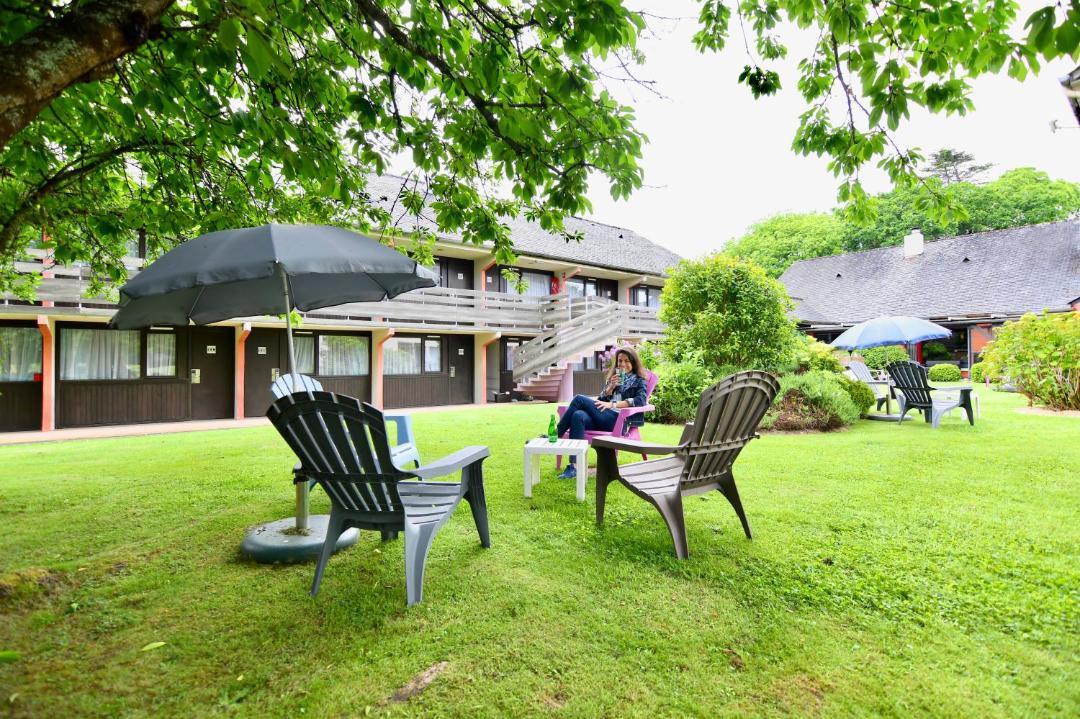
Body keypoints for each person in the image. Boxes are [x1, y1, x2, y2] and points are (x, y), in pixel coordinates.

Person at [554, 347, 649, 480]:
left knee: (578, 399)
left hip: (618, 421)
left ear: (633, 362)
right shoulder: (614, 378)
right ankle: (574, 466)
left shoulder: (640, 380)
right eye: (620, 361)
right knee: (578, 416)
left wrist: (613, 404)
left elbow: (640, 400)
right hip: (603, 417)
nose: (622, 364)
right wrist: (610, 388)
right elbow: (600, 402)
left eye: (627, 361)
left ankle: (554, 435)